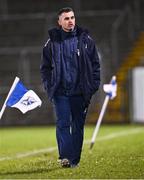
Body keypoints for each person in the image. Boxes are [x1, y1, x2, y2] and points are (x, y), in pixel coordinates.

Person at [40, 7, 100, 168]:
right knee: (63, 123)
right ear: (59, 22)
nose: (70, 20)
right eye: (66, 18)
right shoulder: (51, 42)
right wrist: (48, 85)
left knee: (78, 126)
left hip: (80, 93)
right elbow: (45, 68)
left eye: (72, 17)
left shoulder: (86, 40)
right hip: (60, 92)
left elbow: (96, 65)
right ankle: (66, 157)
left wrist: (92, 86)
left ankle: (74, 160)